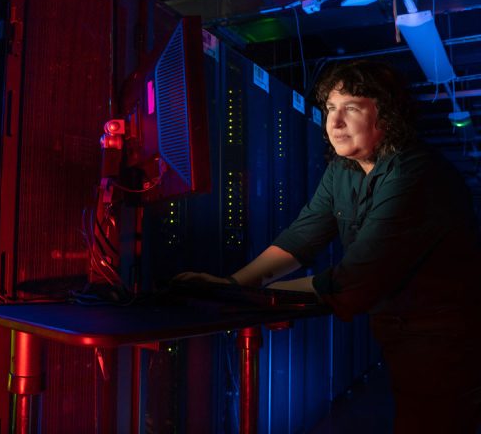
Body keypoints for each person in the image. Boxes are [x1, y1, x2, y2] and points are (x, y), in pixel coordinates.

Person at [178, 59, 481, 433]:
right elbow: (303, 236)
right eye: (330, 109)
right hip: (403, 337)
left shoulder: (415, 175)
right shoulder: (344, 170)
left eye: (350, 108)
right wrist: (235, 285)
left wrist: (248, 298)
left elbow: (355, 281)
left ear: (386, 117)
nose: (333, 123)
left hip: (449, 343)